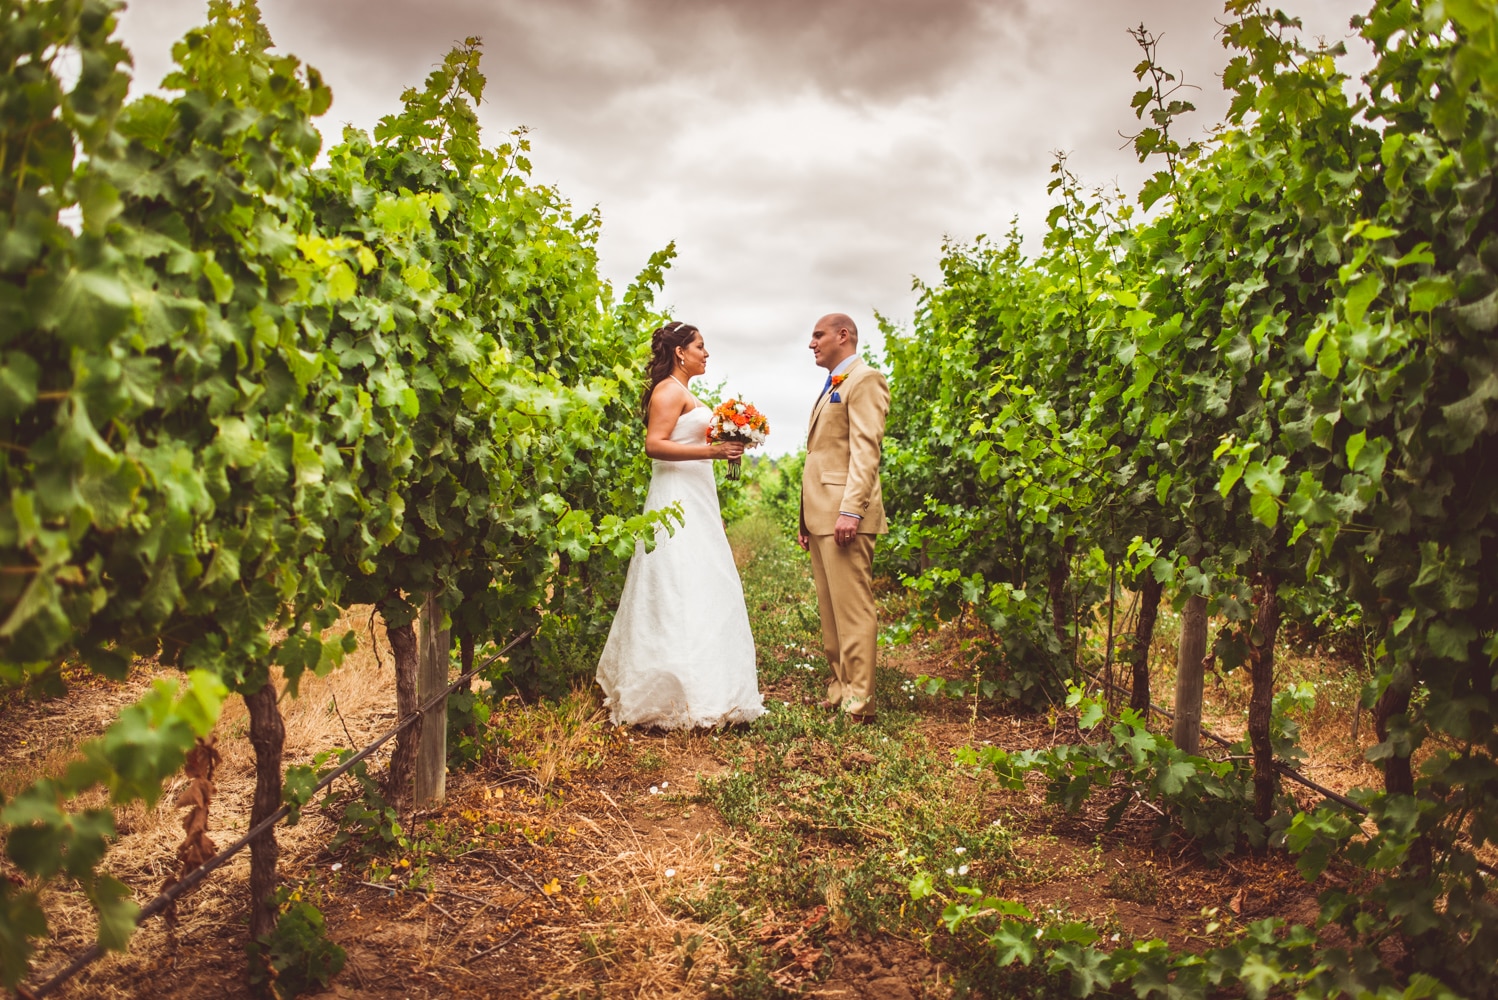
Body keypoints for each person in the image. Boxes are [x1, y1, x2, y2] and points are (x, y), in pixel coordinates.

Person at [595, 321, 766, 728]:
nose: (707, 354)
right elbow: (654, 445)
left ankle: (711, 689)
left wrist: (727, 451)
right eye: (701, 347)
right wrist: (713, 450)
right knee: (675, 582)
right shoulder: (669, 390)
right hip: (674, 499)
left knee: (705, 582)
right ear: (680, 352)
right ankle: (672, 692)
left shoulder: (688, 392)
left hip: (696, 497)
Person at [798, 312, 890, 724]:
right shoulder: (831, 385)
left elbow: (866, 450)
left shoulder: (865, 379)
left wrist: (850, 509)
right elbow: (821, 454)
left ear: (843, 335)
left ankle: (860, 701)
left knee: (853, 609)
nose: (812, 343)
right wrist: (805, 516)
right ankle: (839, 688)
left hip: (845, 513)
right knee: (831, 609)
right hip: (821, 514)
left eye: (818, 335)